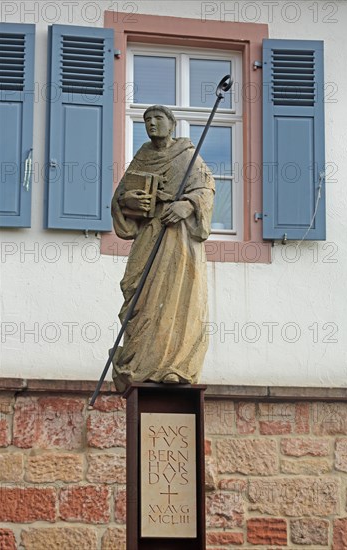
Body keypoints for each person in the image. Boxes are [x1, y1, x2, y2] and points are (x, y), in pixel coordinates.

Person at [111, 105, 215, 392]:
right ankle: (138, 361)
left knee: (175, 295)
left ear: (171, 124)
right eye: (146, 120)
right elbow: (121, 196)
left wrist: (187, 205)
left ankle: (174, 365)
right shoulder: (142, 157)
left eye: (158, 119)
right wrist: (128, 201)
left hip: (178, 237)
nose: (151, 124)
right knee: (136, 288)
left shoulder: (187, 155)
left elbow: (206, 189)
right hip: (149, 232)